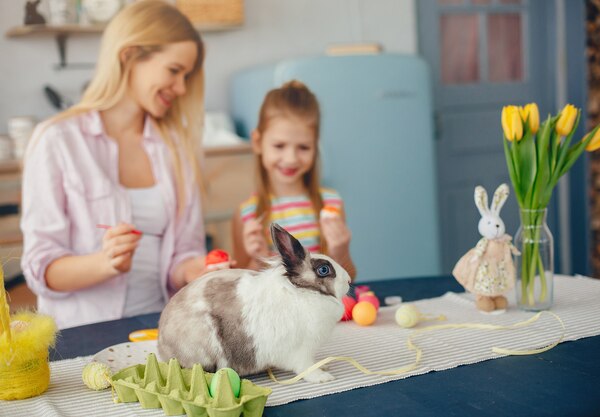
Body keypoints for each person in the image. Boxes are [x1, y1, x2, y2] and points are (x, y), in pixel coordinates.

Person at [20, 0, 207, 329]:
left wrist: (197, 269)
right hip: (82, 336)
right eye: (174, 71)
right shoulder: (57, 140)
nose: (180, 88)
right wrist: (105, 263)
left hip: (160, 328)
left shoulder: (175, 149)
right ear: (129, 56)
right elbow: (40, 268)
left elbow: (183, 253)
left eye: (186, 76)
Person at [231, 81, 356, 278]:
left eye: (303, 147)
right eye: (279, 146)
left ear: (315, 148)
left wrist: (340, 252)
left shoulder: (331, 204)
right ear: (257, 142)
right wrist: (257, 259)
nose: (290, 159)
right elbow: (238, 286)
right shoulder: (247, 214)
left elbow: (348, 279)